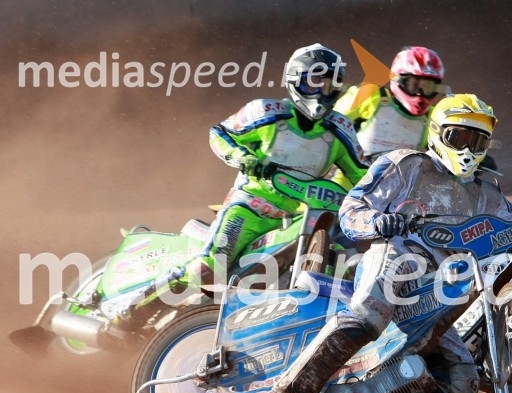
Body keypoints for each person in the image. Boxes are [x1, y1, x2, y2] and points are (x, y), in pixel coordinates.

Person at [260, 94, 512, 393]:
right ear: (437, 133)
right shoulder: (405, 164)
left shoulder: (487, 192)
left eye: (477, 141)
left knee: (462, 385)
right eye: (459, 137)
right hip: (396, 258)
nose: (468, 149)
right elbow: (351, 209)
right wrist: (378, 222)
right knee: (368, 315)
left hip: (439, 288)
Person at [115, 43, 367, 326]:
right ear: (295, 79)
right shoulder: (267, 111)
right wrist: (242, 157)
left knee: (338, 255)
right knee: (209, 269)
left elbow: (363, 173)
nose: (321, 91)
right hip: (250, 207)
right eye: (314, 81)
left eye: (329, 84)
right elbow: (220, 133)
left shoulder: (340, 129)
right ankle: (131, 311)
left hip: (299, 216)